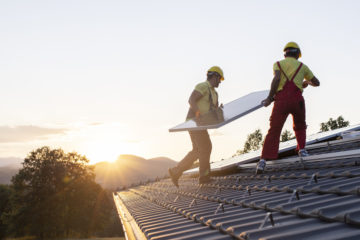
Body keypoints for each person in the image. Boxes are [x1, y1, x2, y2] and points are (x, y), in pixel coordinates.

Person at [256, 42, 320, 174]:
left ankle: (263, 160)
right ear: (297, 54)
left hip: (281, 101)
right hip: (297, 101)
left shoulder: (278, 64)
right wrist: (306, 82)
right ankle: (302, 150)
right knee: (300, 125)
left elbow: (277, 79)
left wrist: (269, 97)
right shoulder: (303, 66)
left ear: (285, 53)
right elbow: (317, 82)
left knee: (274, 129)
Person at [168, 66, 224, 187]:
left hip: (201, 124)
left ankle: (176, 171)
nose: (220, 81)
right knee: (206, 147)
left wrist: (219, 110)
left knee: (198, 150)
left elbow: (212, 110)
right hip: (194, 122)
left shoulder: (215, 93)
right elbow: (191, 99)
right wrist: (198, 113)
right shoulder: (203, 86)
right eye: (219, 79)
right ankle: (204, 177)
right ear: (214, 76)